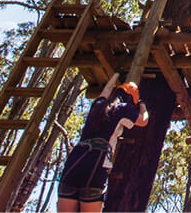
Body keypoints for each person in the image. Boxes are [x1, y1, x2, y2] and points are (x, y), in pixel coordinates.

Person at [58, 73, 148, 212]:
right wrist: (142, 105)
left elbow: (105, 91)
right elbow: (143, 121)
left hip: (75, 160)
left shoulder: (99, 105)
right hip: (96, 163)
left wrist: (116, 74)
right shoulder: (124, 108)